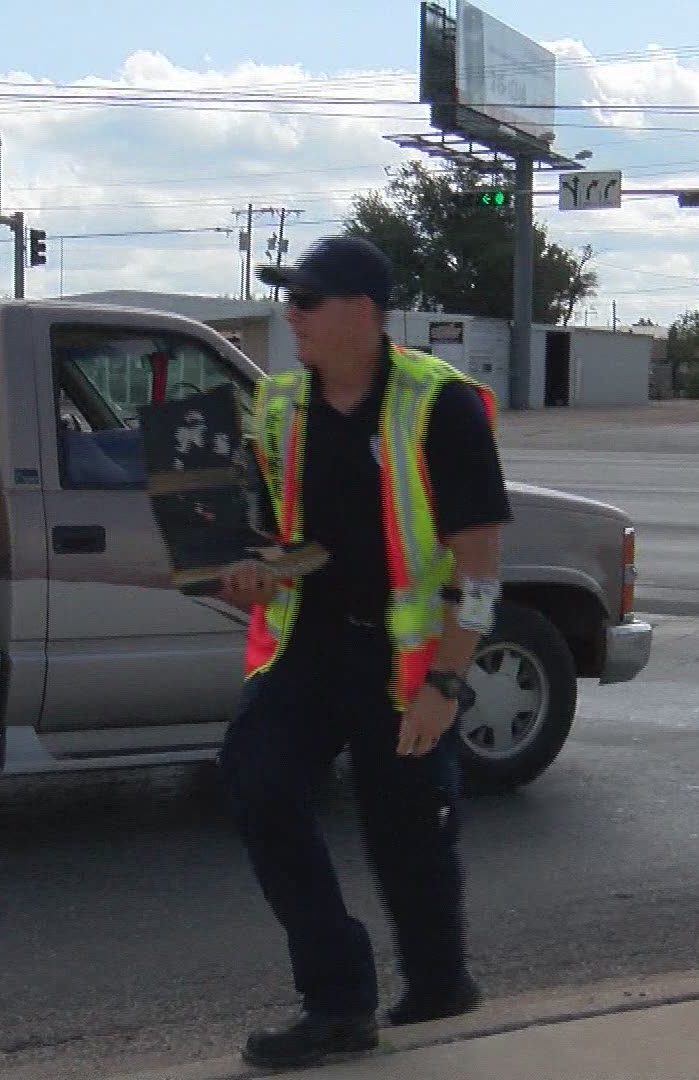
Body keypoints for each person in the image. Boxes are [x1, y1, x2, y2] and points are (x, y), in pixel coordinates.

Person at [216, 236, 511, 1070]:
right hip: (308, 649)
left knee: (405, 834)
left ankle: (440, 980)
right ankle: (337, 1001)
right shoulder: (279, 406)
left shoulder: (439, 405)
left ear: (366, 313)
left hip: (405, 663)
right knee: (258, 787)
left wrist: (447, 683)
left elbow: (481, 568)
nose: (291, 314)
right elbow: (291, 542)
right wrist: (252, 567)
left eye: (307, 299)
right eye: (289, 297)